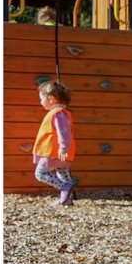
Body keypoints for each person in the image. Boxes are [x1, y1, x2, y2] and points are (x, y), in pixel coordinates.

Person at [33, 79, 77, 208]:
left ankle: (65, 187)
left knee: (40, 174)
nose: (40, 102)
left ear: (51, 99)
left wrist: (63, 147)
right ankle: (66, 200)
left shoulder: (58, 114)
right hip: (60, 152)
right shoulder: (62, 113)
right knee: (63, 173)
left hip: (53, 151)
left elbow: (63, 132)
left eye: (42, 99)